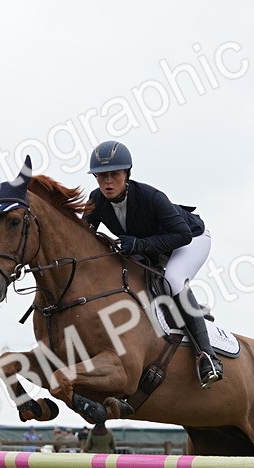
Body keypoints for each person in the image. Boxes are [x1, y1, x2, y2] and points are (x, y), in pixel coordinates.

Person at [84, 139, 223, 388]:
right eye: (101, 176)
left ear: (127, 174)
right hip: (154, 244)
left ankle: (207, 357)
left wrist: (139, 245)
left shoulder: (150, 196)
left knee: (173, 279)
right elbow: (83, 236)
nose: (107, 182)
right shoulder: (96, 200)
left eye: (114, 175)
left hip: (190, 239)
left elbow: (183, 235)